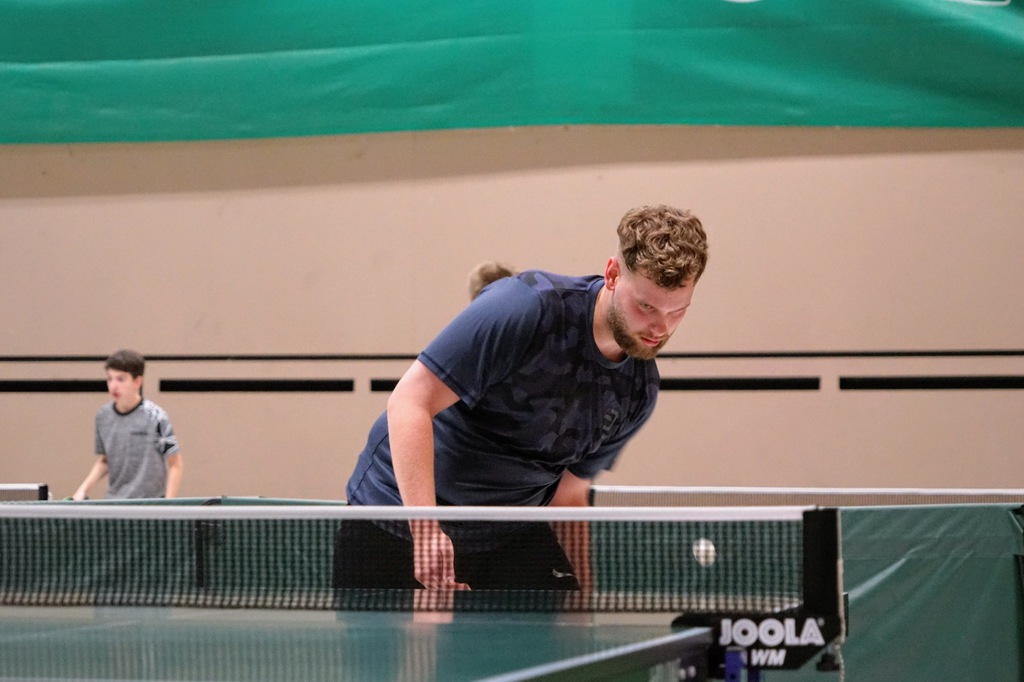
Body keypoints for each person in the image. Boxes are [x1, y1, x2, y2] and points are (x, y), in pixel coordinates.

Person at [336, 204, 708, 592]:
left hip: (506, 532)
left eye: (678, 311)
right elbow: (410, 402)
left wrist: (583, 599)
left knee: (559, 617)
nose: (660, 327)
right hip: (398, 519)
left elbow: (569, 495)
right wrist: (426, 531)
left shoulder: (638, 390)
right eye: (646, 306)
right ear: (613, 274)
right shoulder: (528, 306)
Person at [72, 349, 183, 500]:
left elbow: (175, 464)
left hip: (150, 504)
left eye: (121, 379)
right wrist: (82, 490)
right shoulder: (103, 416)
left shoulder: (156, 416)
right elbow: (105, 460)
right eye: (110, 379)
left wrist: (168, 504)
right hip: (114, 503)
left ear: (137, 381)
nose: (113, 386)